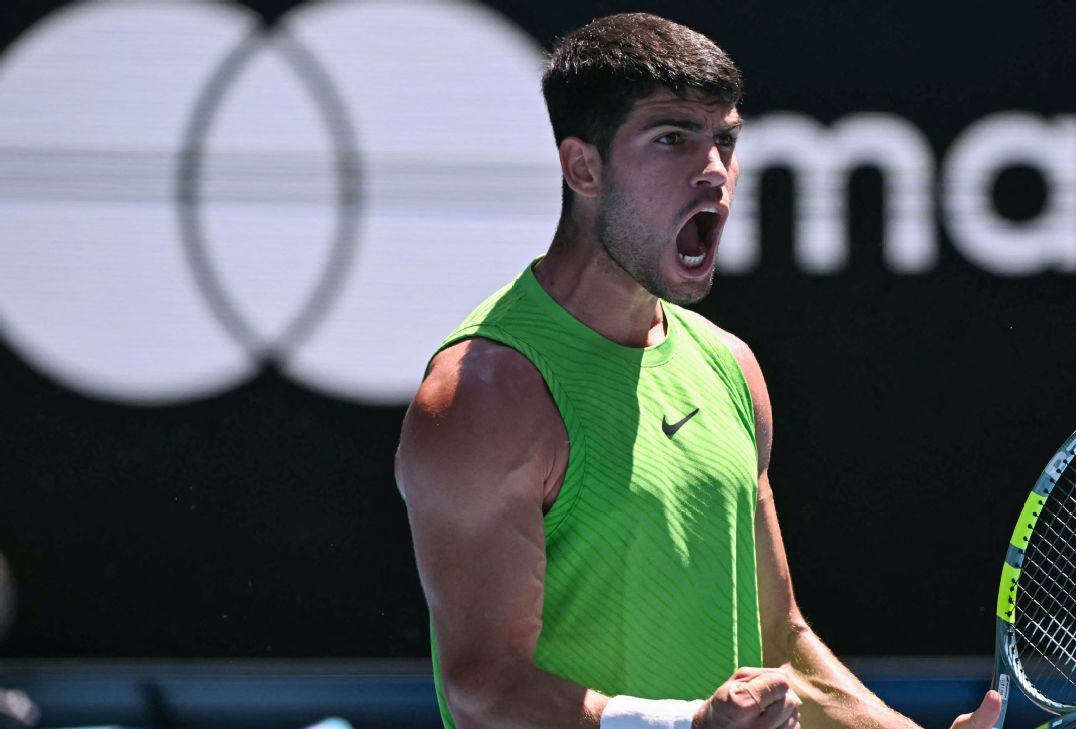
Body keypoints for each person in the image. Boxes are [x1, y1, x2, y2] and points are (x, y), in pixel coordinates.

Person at [396, 13, 1001, 729]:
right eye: (672, 138)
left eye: (726, 140)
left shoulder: (729, 367)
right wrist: (683, 724)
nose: (713, 169)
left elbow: (782, 643)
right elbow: (484, 688)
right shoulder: (485, 396)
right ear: (582, 167)